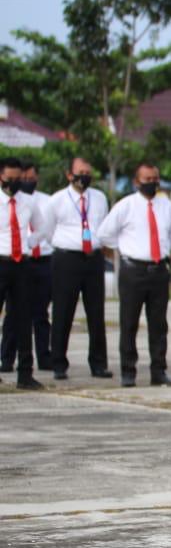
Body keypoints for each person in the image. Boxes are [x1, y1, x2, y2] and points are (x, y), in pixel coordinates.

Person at [96, 162, 171, 387]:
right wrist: (126, 249)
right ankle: (128, 371)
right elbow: (104, 234)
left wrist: (159, 253)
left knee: (159, 324)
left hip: (159, 270)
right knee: (129, 322)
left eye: (155, 178)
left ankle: (159, 371)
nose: (152, 183)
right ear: (136, 182)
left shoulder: (167, 207)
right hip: (133, 270)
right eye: (147, 179)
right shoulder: (126, 206)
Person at [46, 156, 112, 380]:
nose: (84, 176)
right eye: (80, 172)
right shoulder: (57, 200)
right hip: (67, 258)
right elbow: (47, 230)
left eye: (88, 172)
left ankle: (98, 363)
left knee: (96, 313)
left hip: (92, 259)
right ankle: (58, 363)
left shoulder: (100, 198)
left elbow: (102, 226)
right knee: (63, 311)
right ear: (69, 174)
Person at [0, 160, 53, 373]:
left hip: (21, 263)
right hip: (0, 261)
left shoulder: (28, 202)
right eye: (9, 179)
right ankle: (4, 360)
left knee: (23, 317)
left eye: (18, 179)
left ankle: (25, 371)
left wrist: (28, 244)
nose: (14, 183)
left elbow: (42, 228)